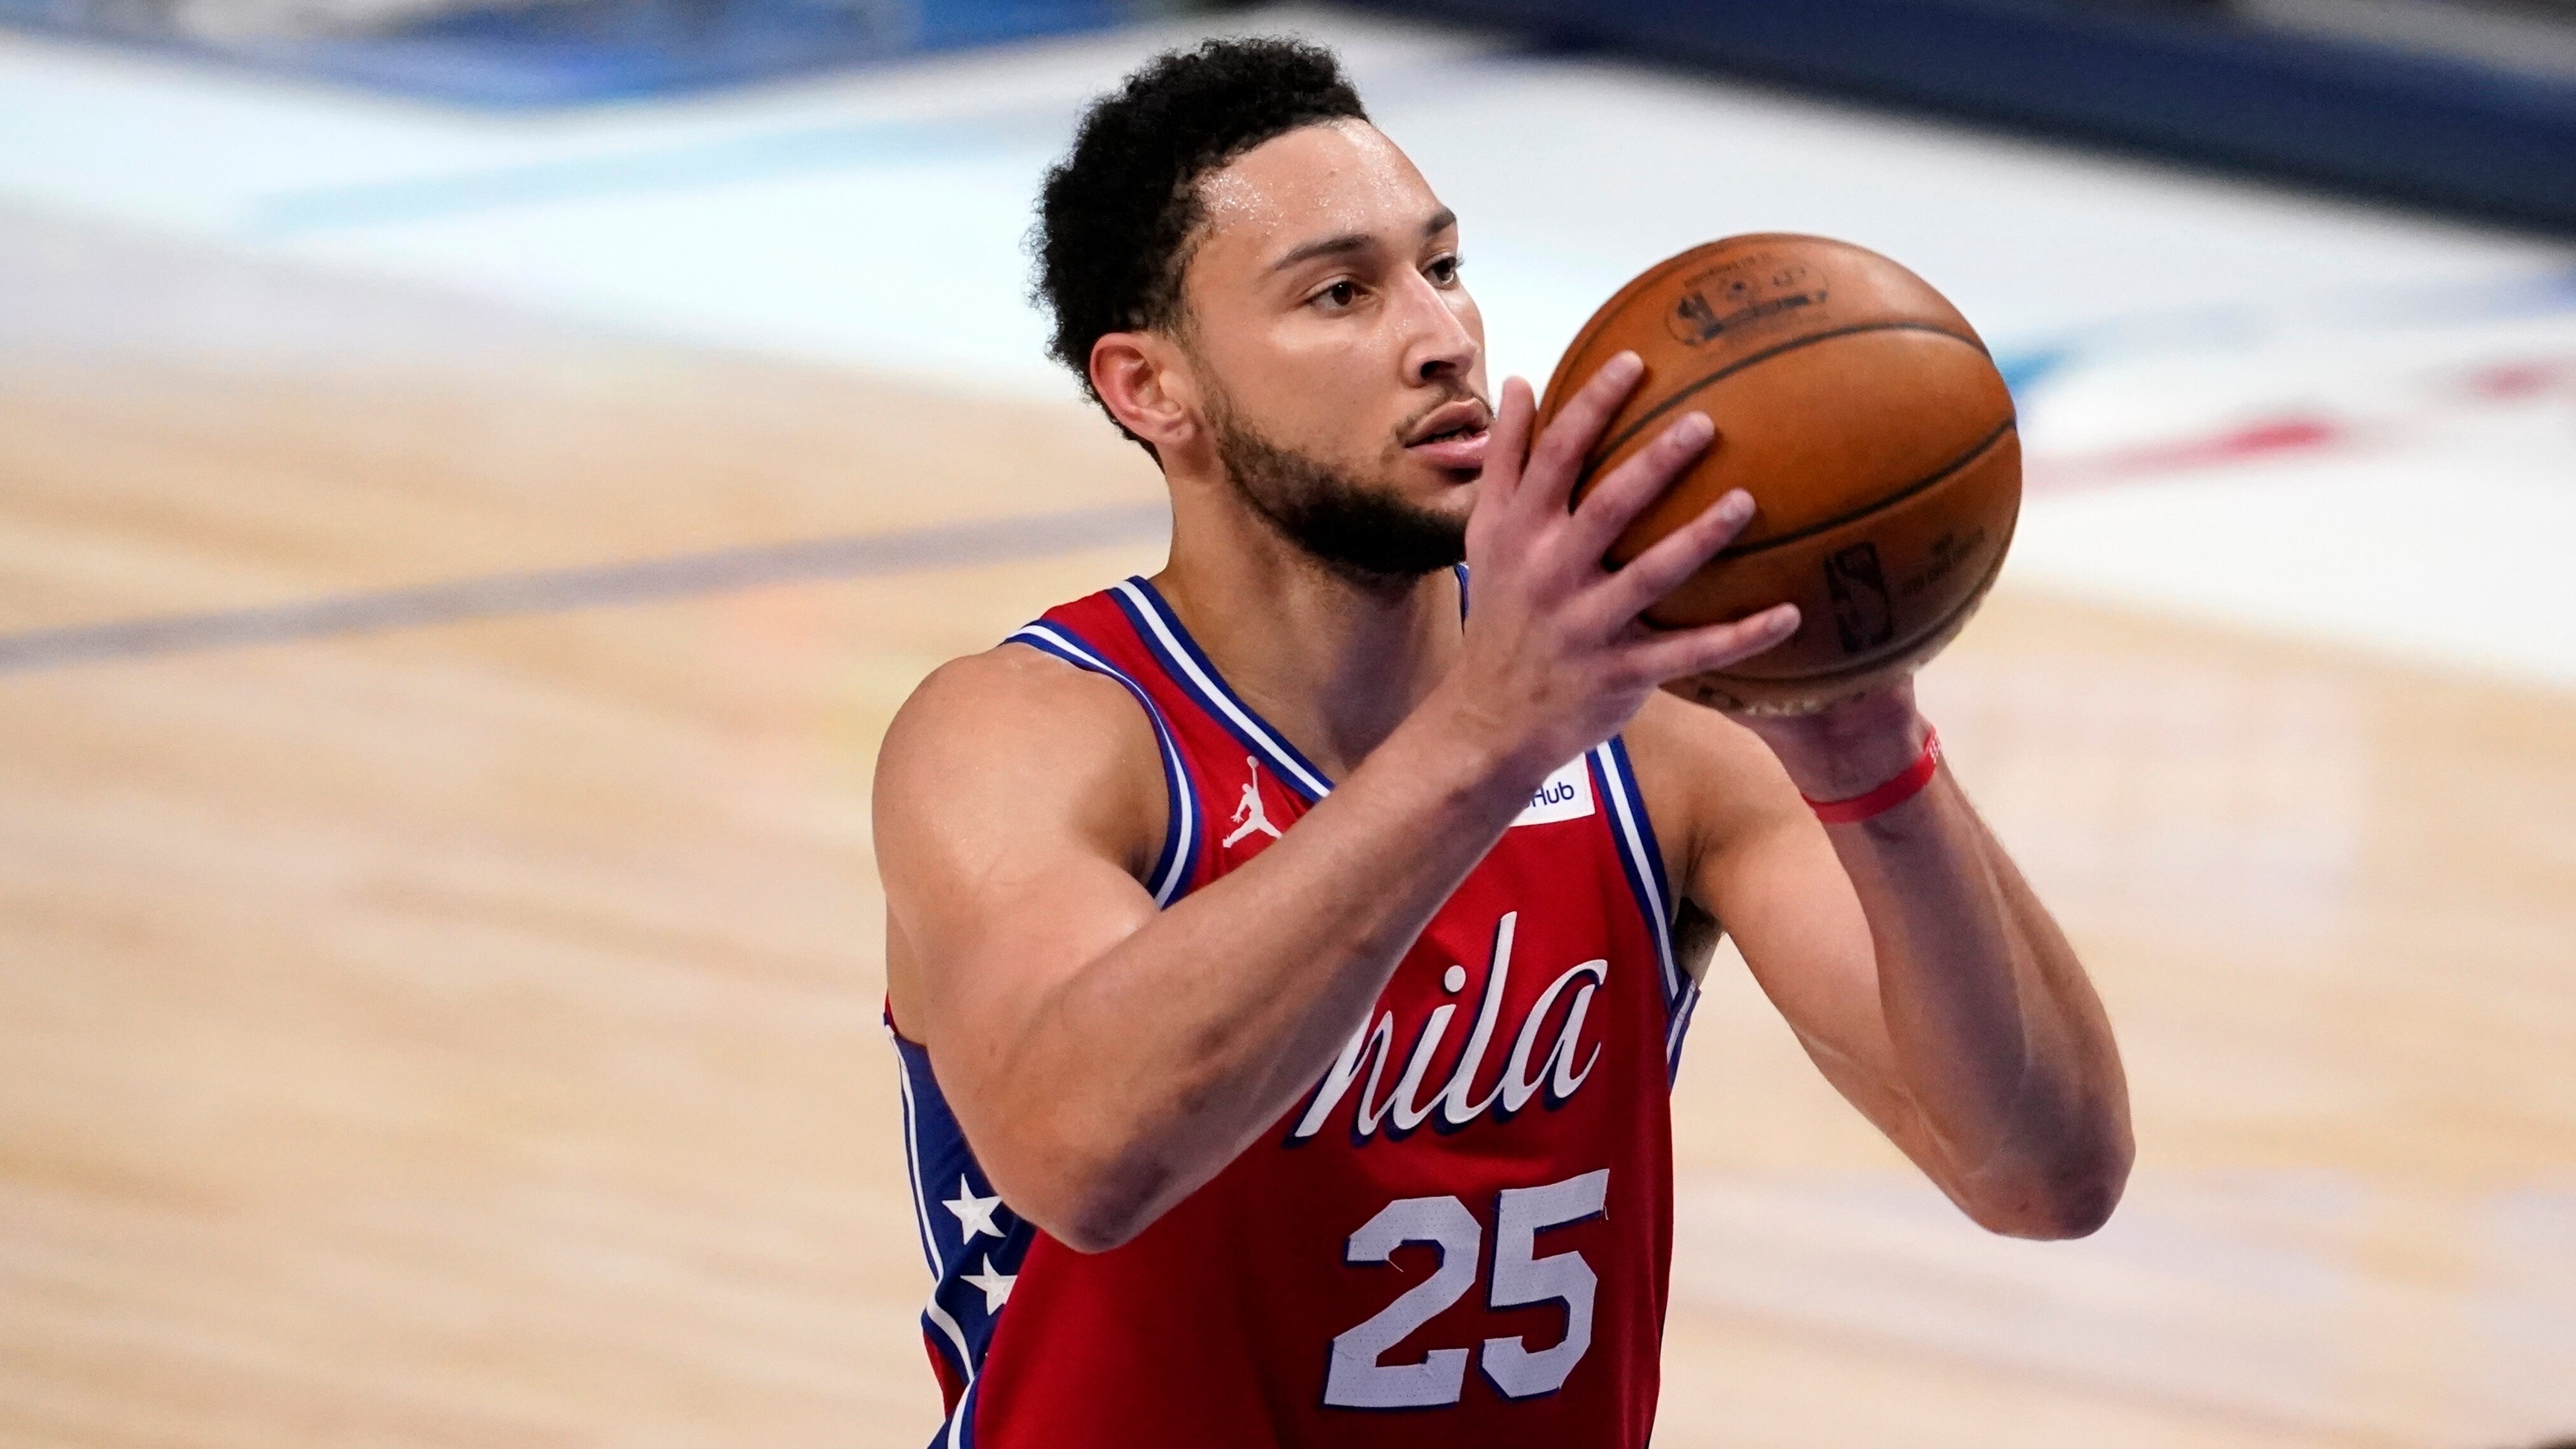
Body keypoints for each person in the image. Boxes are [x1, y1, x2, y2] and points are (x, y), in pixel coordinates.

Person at [872, 36, 2131, 1449]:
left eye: (1443, 268)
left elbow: (2045, 1175)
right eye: (1340, 293)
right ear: (1150, 389)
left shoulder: (1657, 737)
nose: (1441, 335)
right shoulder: (1030, 733)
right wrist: (1484, 739)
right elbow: (1079, 1153)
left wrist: (1874, 765)